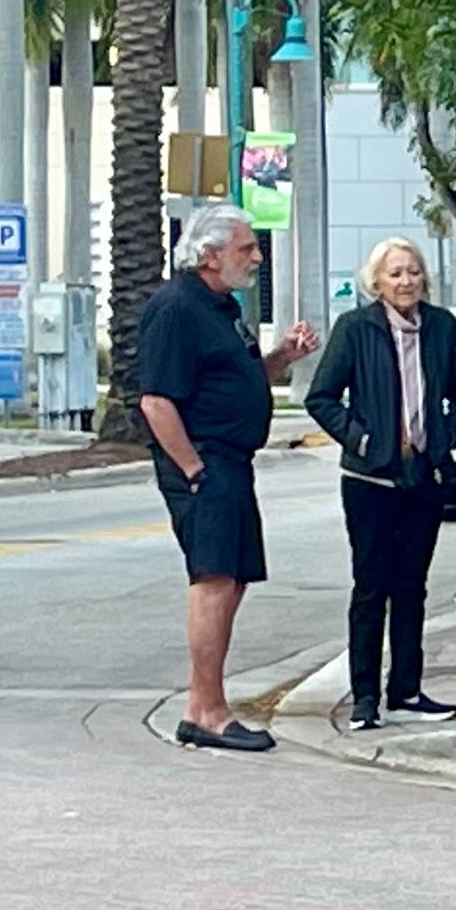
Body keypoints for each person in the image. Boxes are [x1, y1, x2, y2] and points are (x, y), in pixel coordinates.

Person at [139, 205, 319, 752]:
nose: (257, 258)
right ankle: (207, 711)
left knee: (233, 578)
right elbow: (156, 400)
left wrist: (279, 359)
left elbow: (233, 375)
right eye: (247, 249)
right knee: (214, 580)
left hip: (233, 463)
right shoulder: (176, 308)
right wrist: (194, 470)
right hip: (207, 463)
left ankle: (205, 702)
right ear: (210, 254)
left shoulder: (222, 308)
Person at [306, 237, 456, 732]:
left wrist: (446, 436)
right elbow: (322, 397)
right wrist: (362, 438)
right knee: (371, 585)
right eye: (396, 273)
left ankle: (407, 688)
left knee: (412, 586)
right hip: (369, 478)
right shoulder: (356, 329)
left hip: (423, 475)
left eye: (413, 272)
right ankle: (364, 696)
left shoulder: (440, 328)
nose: (406, 282)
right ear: (376, 281)